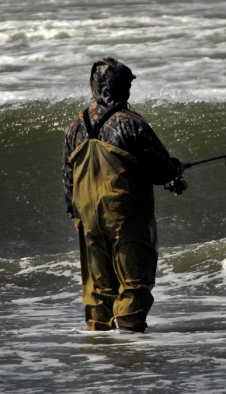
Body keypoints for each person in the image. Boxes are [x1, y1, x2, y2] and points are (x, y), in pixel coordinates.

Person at [61, 57, 184, 332]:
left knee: (98, 288)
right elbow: (161, 169)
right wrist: (177, 169)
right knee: (134, 284)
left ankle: (101, 349)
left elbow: (67, 177)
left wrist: (75, 213)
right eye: (127, 85)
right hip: (123, 214)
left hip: (87, 218)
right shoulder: (131, 123)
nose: (129, 91)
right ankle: (130, 352)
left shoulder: (75, 125)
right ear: (118, 88)